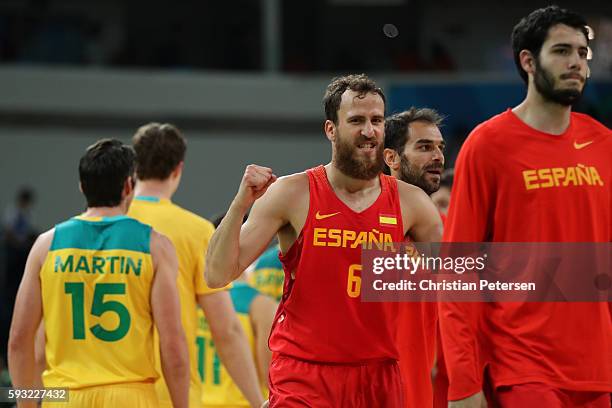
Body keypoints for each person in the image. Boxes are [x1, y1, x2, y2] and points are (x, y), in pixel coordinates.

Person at [205, 74, 443, 406]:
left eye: (376, 120)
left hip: (379, 377)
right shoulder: (291, 193)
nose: (369, 130)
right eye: (356, 120)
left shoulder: (413, 204)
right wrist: (240, 204)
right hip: (305, 375)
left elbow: (465, 283)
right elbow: (217, 274)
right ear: (331, 129)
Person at [440, 6, 611, 407]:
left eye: (583, 53)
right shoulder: (489, 145)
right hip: (522, 369)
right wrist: (464, 383)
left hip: (597, 372)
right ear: (528, 61)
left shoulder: (604, 144)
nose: (577, 63)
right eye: (562, 51)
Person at [8, 139, 189, 408]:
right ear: (129, 186)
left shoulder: (46, 245)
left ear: (82, 187)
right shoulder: (155, 246)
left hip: (64, 397)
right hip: (130, 397)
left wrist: (27, 405)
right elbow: (173, 347)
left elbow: (19, 343)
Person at [128, 123, 264, 408]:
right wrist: (257, 401)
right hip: (170, 395)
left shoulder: (98, 225)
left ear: (135, 167)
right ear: (178, 169)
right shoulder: (195, 231)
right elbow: (226, 331)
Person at [383, 107, 445, 408]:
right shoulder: (360, 222)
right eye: (424, 147)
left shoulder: (448, 229)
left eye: (440, 147)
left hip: (419, 396)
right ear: (391, 158)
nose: (438, 157)